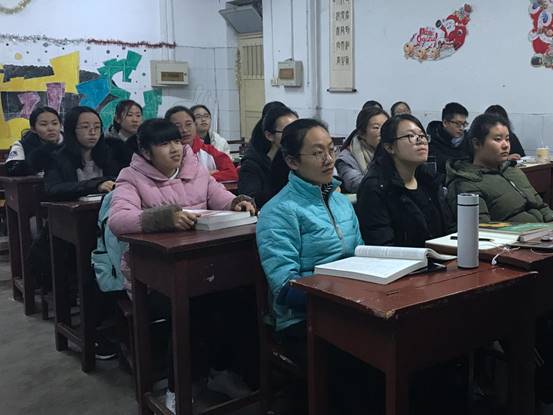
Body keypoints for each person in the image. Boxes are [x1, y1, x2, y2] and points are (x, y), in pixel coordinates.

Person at [108, 118, 255, 413]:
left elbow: (219, 196)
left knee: (241, 298)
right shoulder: (131, 177)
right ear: (146, 151)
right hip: (154, 277)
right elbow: (118, 220)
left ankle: (220, 372)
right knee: (192, 308)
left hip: (204, 266)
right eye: (164, 144)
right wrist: (162, 218)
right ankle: (178, 387)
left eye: (177, 141)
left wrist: (235, 203)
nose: (175, 148)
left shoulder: (194, 168)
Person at [357, 114, 455, 247]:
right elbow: (382, 245)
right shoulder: (375, 187)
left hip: (440, 256)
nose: (421, 141)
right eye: (410, 136)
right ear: (389, 147)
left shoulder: (429, 180)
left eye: (422, 135)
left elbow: (450, 229)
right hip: (403, 259)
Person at [446, 113, 553, 223]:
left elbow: (542, 207)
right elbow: (481, 228)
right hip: (518, 233)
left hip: (543, 231)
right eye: (498, 139)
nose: (505, 145)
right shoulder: (466, 183)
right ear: (477, 143)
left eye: (507, 139)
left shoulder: (512, 171)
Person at [44, 106, 121, 201]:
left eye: (97, 127)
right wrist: (95, 185)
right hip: (75, 208)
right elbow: (53, 189)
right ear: (72, 130)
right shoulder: (56, 158)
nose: (93, 132)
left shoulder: (111, 153)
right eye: (85, 127)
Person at [238, 105, 298, 207]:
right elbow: (251, 202)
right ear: (269, 135)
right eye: (288, 131)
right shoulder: (252, 165)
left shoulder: (302, 160)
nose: (295, 136)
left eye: (298, 130)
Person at [165, 106, 238, 182]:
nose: (184, 130)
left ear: (195, 125)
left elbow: (232, 174)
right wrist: (205, 175)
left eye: (188, 124)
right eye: (177, 126)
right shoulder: (164, 155)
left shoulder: (209, 151)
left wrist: (206, 177)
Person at [335, 107, 389, 193]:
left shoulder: (395, 151)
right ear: (362, 133)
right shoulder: (346, 158)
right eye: (376, 127)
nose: (383, 132)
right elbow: (355, 184)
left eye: (386, 127)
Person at [6, 106, 63, 176]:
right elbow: (12, 171)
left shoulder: (70, 143)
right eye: (44, 124)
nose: (51, 128)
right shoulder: (21, 145)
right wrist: (37, 157)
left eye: (55, 123)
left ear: (61, 125)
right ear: (33, 129)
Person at [427, 102, 470, 176]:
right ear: (445, 123)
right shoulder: (431, 142)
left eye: (464, 124)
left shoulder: (469, 141)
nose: (462, 128)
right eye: (458, 124)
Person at [105, 100, 143, 167]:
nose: (135, 120)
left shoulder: (145, 142)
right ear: (117, 119)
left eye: (138, 115)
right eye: (130, 115)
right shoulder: (107, 143)